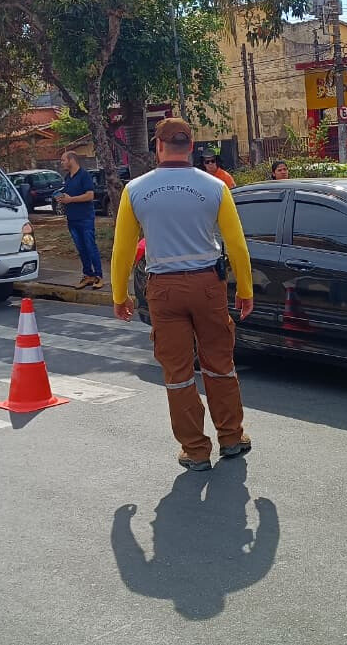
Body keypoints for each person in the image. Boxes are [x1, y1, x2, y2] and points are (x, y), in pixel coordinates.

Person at [111, 118, 255, 472]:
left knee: (178, 372)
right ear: (191, 146)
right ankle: (232, 437)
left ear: (158, 146)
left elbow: (123, 249)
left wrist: (120, 295)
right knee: (219, 365)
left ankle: (195, 450)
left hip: (164, 289)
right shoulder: (215, 187)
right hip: (208, 285)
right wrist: (246, 289)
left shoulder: (135, 190)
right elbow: (236, 244)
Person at [55, 152, 103, 290]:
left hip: (85, 218)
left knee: (90, 246)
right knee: (81, 248)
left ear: (71, 160)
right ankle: (88, 274)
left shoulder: (84, 175)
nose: (61, 163)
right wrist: (62, 198)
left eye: (63, 160)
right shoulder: (68, 177)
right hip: (72, 218)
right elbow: (69, 194)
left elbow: (89, 195)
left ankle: (98, 276)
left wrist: (71, 199)